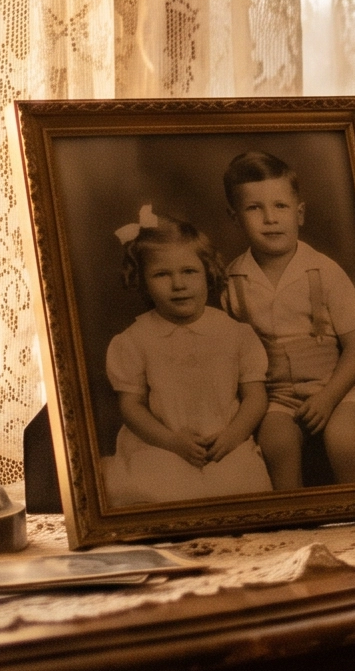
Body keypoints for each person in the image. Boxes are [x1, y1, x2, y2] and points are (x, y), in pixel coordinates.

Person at [220, 151, 355, 489]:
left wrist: (327, 398)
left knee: (343, 439)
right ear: (235, 219)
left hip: (338, 388)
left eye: (280, 206)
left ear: (300, 213)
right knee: (276, 445)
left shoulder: (324, 271)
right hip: (276, 395)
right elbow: (233, 357)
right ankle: (292, 526)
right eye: (254, 208)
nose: (270, 218)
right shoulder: (233, 279)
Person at [103, 208, 273, 507]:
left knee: (241, 491)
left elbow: (255, 398)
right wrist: (172, 442)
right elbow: (131, 406)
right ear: (143, 281)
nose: (178, 284)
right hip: (160, 443)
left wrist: (233, 436)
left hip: (225, 440)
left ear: (208, 273)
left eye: (189, 272)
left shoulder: (235, 334)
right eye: (161, 275)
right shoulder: (135, 340)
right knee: (159, 493)